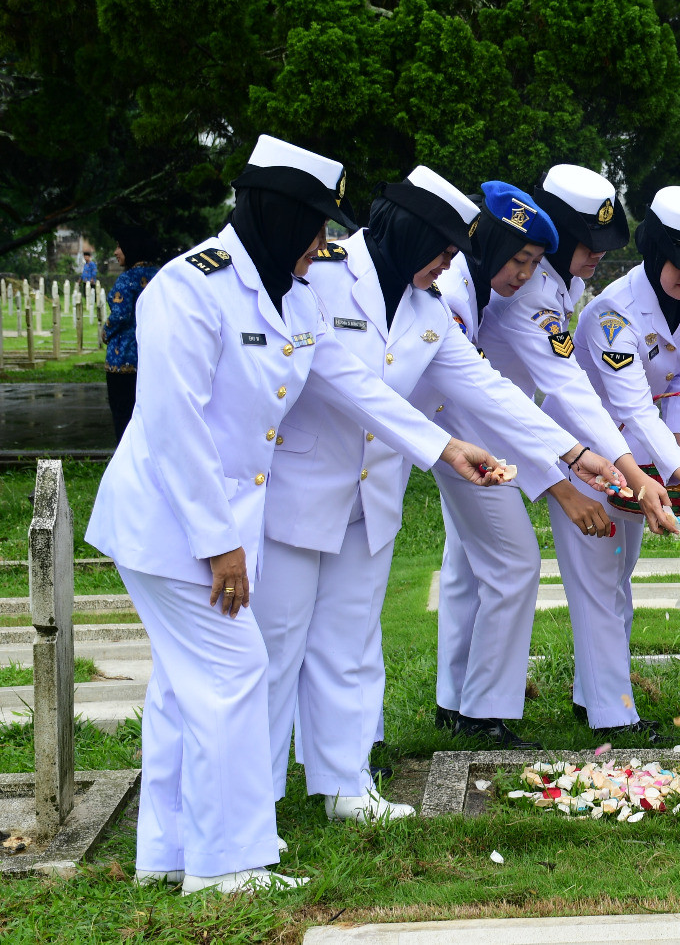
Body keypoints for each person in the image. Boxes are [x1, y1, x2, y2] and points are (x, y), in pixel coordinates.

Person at [84, 135, 500, 895]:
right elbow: (175, 427)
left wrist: (443, 447)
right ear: (274, 217)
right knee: (234, 673)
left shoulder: (296, 293)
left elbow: (353, 386)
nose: (324, 245)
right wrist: (221, 546)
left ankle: (167, 854)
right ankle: (228, 865)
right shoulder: (186, 290)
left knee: (186, 687)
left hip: (214, 523)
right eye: (314, 228)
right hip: (170, 522)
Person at [257, 167, 623, 824]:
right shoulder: (326, 272)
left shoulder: (428, 307)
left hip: (373, 492)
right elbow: (344, 384)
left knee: (350, 640)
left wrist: (574, 453)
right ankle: (253, 798)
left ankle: (343, 785)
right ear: (408, 232)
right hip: (301, 484)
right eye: (444, 250)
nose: (450, 264)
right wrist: (445, 447)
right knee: (279, 644)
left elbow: (485, 388)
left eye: (458, 254)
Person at [437, 165, 676, 746]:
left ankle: (458, 698)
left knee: (469, 568)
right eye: (588, 244)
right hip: (478, 429)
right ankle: (480, 710)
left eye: (604, 244)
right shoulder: (532, 289)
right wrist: (615, 467)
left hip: (498, 421)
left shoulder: (547, 277)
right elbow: (567, 386)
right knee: (506, 564)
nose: (597, 256)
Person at [568, 185, 680, 741]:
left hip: (647, 455)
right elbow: (634, 409)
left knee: (616, 576)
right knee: (599, 584)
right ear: (653, 251)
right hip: (594, 458)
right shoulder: (612, 314)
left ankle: (589, 692)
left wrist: (679, 437)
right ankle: (614, 716)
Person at [101, 224, 164, 444]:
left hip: (123, 360)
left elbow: (120, 314)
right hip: (154, 358)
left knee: (123, 416)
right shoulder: (162, 275)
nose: (116, 252)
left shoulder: (126, 279)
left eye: (119, 246)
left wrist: (105, 330)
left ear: (131, 247)